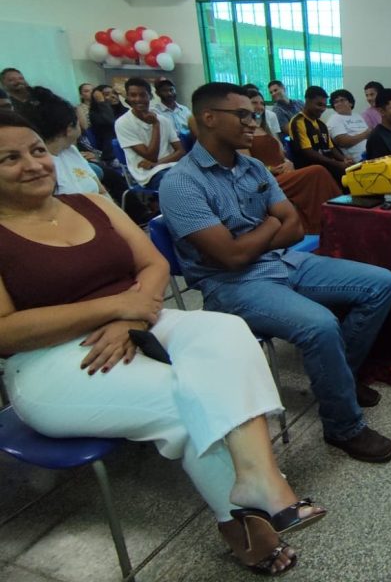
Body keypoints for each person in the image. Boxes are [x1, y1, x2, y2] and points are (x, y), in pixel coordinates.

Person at [0, 109, 326, 575]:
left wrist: (133, 315)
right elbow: (5, 329)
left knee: (227, 330)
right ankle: (239, 525)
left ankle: (260, 479)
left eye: (36, 150)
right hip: (50, 362)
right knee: (189, 398)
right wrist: (115, 310)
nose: (32, 164)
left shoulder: (90, 202)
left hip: (139, 316)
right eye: (9, 158)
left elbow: (152, 265)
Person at [159, 83, 391, 463]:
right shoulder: (181, 183)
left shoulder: (252, 165)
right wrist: (272, 224)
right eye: (241, 115)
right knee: (320, 325)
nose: (252, 122)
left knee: (381, 283)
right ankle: (343, 427)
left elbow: (297, 227)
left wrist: (268, 229)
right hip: (231, 285)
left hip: (283, 260)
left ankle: (341, 379)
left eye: (252, 114)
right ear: (208, 118)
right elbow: (232, 258)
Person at [245, 88, 341, 234]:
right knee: (318, 171)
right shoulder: (243, 132)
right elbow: (244, 164)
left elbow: (282, 153)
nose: (259, 107)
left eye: (261, 103)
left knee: (325, 171)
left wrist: (288, 162)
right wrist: (271, 169)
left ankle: (336, 219)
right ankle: (328, 223)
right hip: (266, 179)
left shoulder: (265, 128)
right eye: (254, 103)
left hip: (285, 172)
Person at [114, 78, 185, 190]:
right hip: (148, 174)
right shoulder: (123, 123)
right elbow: (151, 156)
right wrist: (155, 125)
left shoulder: (164, 120)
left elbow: (180, 151)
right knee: (179, 183)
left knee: (203, 177)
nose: (138, 99)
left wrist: (158, 163)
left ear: (150, 97)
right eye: (133, 95)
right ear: (127, 97)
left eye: (142, 95)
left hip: (171, 166)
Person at [287, 86, 352, 181]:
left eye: (324, 105)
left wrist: (344, 159)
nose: (322, 109)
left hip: (326, 165)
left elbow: (331, 148)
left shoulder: (321, 124)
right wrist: (338, 164)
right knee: (347, 176)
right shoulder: (298, 121)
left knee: (353, 169)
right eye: (319, 104)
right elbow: (308, 153)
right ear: (307, 101)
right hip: (310, 168)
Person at [326, 89, 371, 161]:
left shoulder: (358, 116)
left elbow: (370, 135)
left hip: (374, 153)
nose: (339, 103)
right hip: (360, 159)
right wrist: (365, 134)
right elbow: (343, 142)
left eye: (342, 100)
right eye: (336, 102)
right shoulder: (334, 119)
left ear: (351, 103)